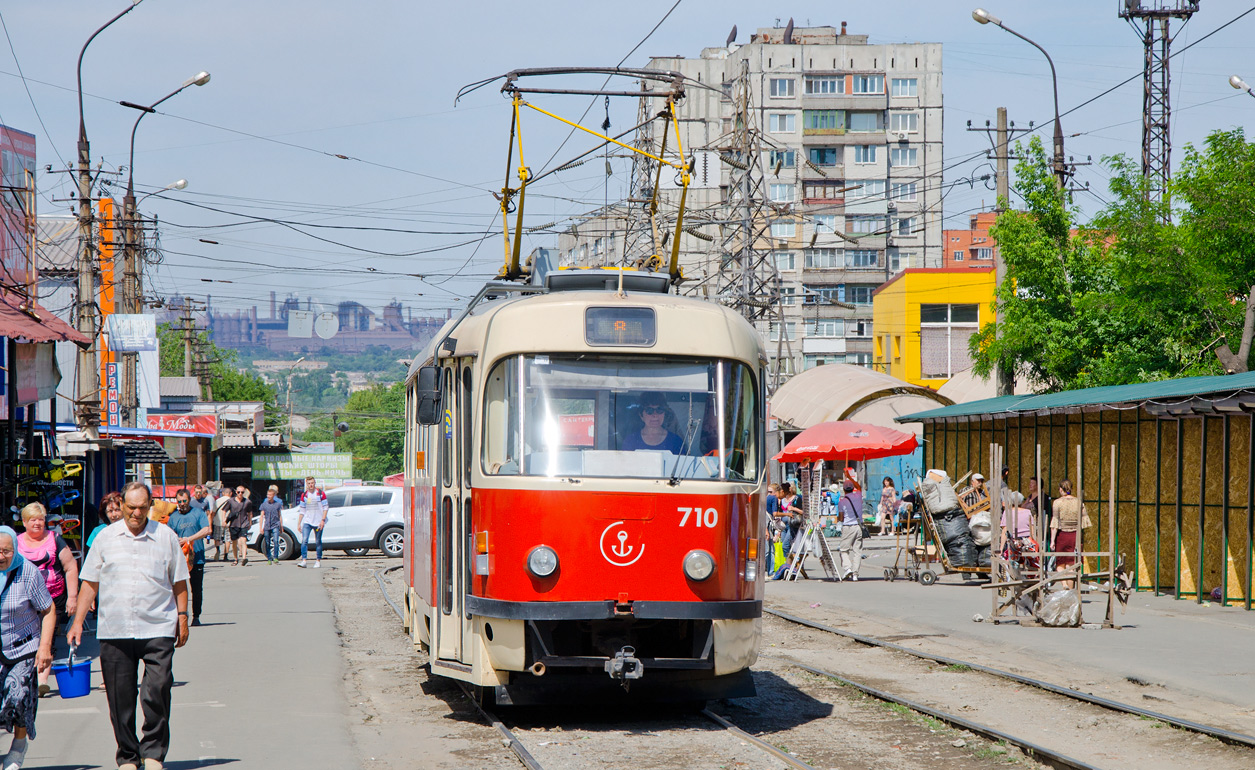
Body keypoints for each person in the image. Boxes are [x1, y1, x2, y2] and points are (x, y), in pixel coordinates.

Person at [68, 482, 189, 770]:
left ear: (151, 507)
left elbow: (179, 581)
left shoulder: (166, 537)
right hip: (115, 628)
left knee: (157, 689)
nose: (136, 513)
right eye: (131, 507)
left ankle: (154, 753)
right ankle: (128, 756)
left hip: (158, 625)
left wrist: (183, 617)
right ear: (121, 505)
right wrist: (77, 622)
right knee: (120, 698)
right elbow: (90, 583)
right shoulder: (105, 538)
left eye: (142, 508)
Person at [0, 526, 55, 770]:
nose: (1, 556)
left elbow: (49, 610)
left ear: (15, 549)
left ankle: (19, 746)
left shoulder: (28, 572)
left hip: (23, 647)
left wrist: (44, 647)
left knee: (18, 697)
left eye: (7, 551)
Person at [15, 503, 77, 698]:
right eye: (32, 519)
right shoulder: (15, 543)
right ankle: (25, 677)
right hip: (23, 601)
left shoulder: (55, 539)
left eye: (40, 519)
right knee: (25, 640)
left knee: (46, 639)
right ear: (24, 522)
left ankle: (42, 681)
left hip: (52, 599)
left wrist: (73, 596)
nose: (37, 523)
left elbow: (70, 567)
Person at [166, 490, 210, 626]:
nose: (182, 504)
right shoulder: (173, 517)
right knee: (178, 589)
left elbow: (206, 530)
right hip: (180, 559)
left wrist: (188, 539)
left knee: (196, 589)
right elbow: (169, 535)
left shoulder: (198, 513)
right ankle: (179, 616)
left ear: (189, 500)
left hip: (196, 558)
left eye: (184, 501)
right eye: (179, 501)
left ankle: (196, 616)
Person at [1050, 479, 1086, 588]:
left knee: (1060, 563)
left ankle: (1064, 585)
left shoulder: (1057, 502)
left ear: (1061, 489)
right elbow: (1083, 521)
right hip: (1074, 535)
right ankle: (1070, 590)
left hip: (1062, 535)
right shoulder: (1079, 502)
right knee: (1071, 565)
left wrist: (1052, 540)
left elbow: (1055, 523)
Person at [296, 477, 328, 569]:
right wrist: (299, 523)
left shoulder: (320, 494)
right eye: (309, 483)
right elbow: (302, 510)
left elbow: (326, 507)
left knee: (318, 541)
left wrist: (323, 520)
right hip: (307, 521)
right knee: (304, 540)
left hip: (318, 521)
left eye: (312, 483)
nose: (311, 485)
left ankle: (318, 560)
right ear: (307, 484)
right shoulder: (304, 495)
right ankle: (304, 560)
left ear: (315, 483)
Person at [836, 480, 864, 580]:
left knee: (843, 550)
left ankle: (848, 569)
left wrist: (838, 519)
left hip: (848, 527)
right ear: (853, 488)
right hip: (859, 527)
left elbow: (841, 518)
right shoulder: (858, 496)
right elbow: (859, 486)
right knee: (857, 551)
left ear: (843, 489)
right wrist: (849, 477)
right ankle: (855, 574)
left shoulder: (842, 502)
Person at [223, 487, 253, 567]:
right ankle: (236, 559)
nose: (240, 494)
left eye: (242, 492)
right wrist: (223, 520)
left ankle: (244, 558)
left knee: (243, 540)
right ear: (236, 492)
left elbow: (250, 513)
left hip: (244, 524)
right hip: (233, 524)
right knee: (234, 542)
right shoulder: (231, 501)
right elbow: (224, 510)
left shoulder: (247, 502)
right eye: (239, 492)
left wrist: (250, 522)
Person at [258, 485, 285, 565]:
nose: (268, 496)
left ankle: (275, 557)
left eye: (270, 495)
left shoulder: (278, 504)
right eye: (267, 495)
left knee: (276, 541)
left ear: (273, 495)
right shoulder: (264, 504)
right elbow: (261, 516)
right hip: (267, 525)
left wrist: (281, 526)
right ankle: (269, 558)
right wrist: (261, 527)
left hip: (275, 525)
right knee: (267, 542)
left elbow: (280, 515)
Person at [1025, 476, 1053, 545]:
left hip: (1038, 528)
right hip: (1028, 527)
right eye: (1030, 483)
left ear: (1038, 485)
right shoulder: (1029, 497)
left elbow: (1048, 514)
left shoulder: (1043, 498)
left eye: (1032, 483)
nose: (1030, 485)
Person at [211, 489, 232, 563]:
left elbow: (213, 512)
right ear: (231, 493)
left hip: (218, 522)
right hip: (229, 523)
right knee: (227, 539)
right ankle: (226, 555)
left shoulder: (218, 501)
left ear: (223, 493)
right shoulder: (232, 501)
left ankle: (218, 550)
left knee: (217, 538)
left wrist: (211, 522)